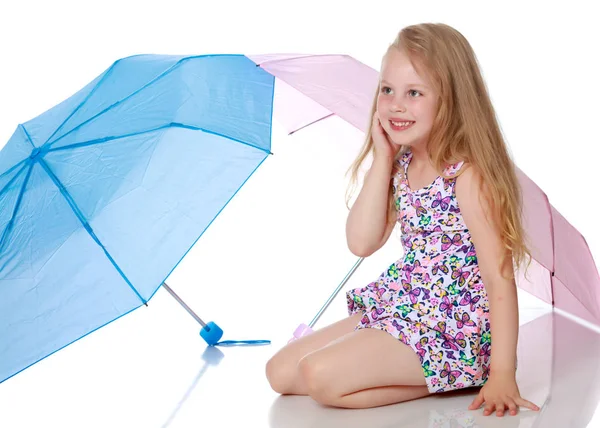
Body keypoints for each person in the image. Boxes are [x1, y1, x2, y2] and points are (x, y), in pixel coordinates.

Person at [265, 22, 541, 418]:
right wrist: (382, 158)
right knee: (280, 373)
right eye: (387, 90)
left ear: (451, 100)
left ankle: (459, 372)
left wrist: (503, 371)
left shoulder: (466, 175)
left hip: (450, 326)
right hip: (406, 305)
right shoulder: (403, 165)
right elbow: (361, 243)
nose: (396, 105)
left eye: (414, 93)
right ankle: (437, 375)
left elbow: (499, 278)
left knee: (319, 376)